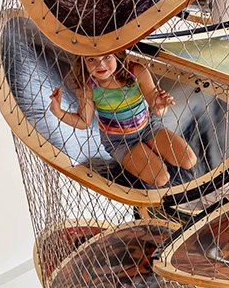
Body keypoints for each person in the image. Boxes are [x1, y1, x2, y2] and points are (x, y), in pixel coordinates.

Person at [50, 52, 197, 187]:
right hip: (119, 142)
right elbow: (83, 122)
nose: (100, 65)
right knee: (160, 178)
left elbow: (158, 110)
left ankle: (149, 151)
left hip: (147, 128)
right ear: (83, 61)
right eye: (91, 59)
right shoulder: (88, 87)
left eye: (107, 57)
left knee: (189, 160)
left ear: (117, 56)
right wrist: (58, 111)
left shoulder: (136, 71)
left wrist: (161, 106)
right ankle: (142, 157)